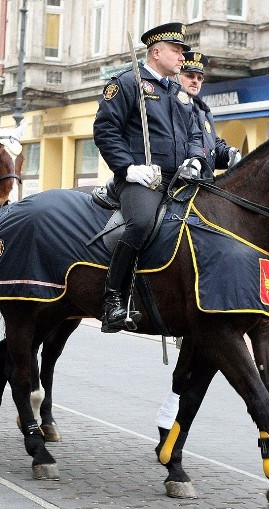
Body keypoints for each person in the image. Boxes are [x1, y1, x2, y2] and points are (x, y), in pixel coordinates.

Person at [93, 22, 203, 333]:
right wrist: (128, 168)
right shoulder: (128, 83)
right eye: (176, 51)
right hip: (143, 178)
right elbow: (105, 130)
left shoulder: (178, 92)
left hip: (180, 179)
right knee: (141, 223)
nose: (182, 57)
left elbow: (194, 132)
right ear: (156, 52)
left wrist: (195, 158)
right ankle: (113, 299)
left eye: (182, 52)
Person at [178, 51, 241, 173]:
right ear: (176, 76)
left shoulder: (203, 110)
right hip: (177, 179)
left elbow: (212, 145)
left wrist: (228, 153)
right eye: (189, 76)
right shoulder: (172, 105)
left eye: (199, 78)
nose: (195, 81)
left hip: (204, 180)